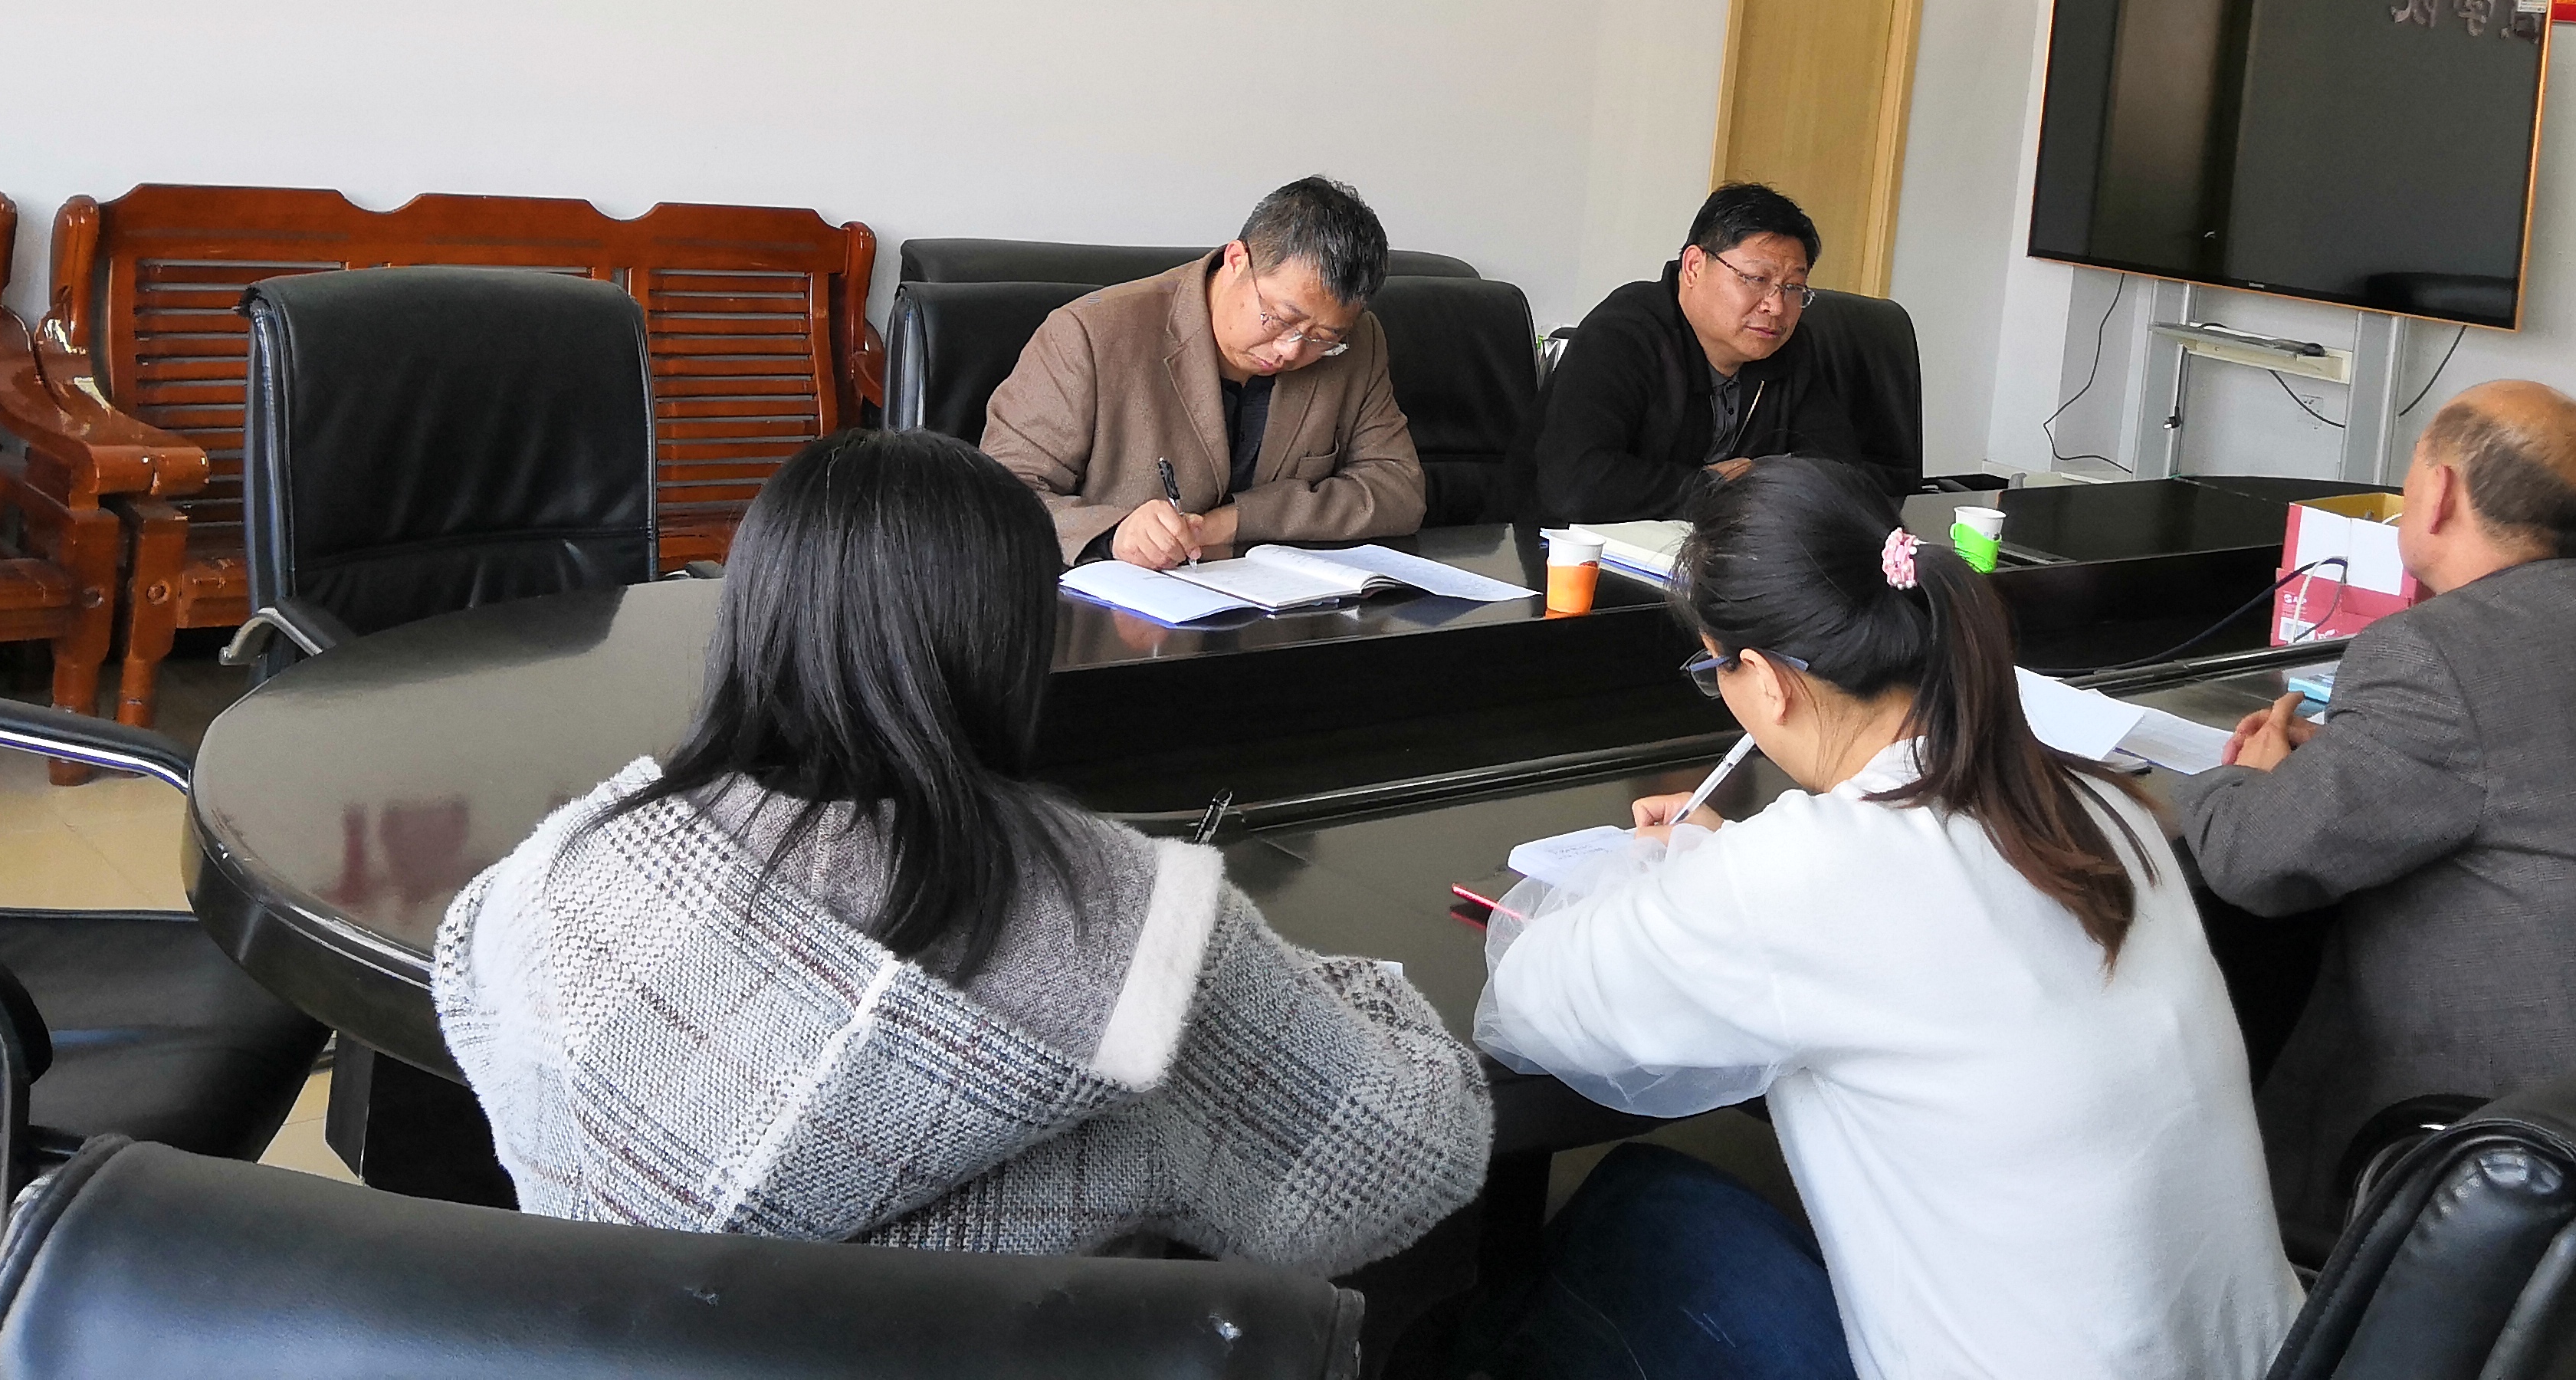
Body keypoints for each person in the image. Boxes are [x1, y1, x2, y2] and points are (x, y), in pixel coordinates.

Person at [432, 429, 1489, 1260]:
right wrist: (1344, 989)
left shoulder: (570, 867)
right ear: (1009, 641)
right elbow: (1400, 1157)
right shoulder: (1127, 922)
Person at [1468, 458, 2297, 1380]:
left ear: (1766, 681)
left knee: (1637, 1212)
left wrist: (1649, 874)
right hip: (2263, 1361)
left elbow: (1528, 1004)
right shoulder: (2100, 805)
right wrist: (1720, 873)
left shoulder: (1804, 872)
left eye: (1714, 669)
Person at [2176, 382, 2576, 1249]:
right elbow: (2502, 762)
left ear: (2440, 493)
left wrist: (2236, 780)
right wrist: (2343, 759)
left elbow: (2254, 862)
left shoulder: (2433, 652)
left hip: (2515, 1149)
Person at [981, 176, 1423, 567]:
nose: (1291, 350)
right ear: (1236, 260)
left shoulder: (1359, 343)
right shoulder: (1088, 336)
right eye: (1279, 318)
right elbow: (996, 498)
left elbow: (1397, 489)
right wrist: (1111, 534)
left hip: (1280, 612)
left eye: (1322, 337)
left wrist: (1233, 522)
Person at [1511, 184, 1875, 538]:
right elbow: (1574, 484)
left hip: (1710, 556)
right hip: (1563, 554)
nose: (1776, 307)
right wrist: (1712, 488)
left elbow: (1839, 474)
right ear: (1694, 266)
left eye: (1793, 288)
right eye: (1756, 279)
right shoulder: (1624, 333)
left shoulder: (1789, 348)